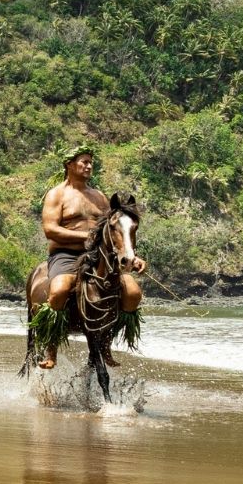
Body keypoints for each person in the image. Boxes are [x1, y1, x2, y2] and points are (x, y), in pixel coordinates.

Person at [34, 146, 143, 369]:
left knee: (132, 292)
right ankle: (51, 350)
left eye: (91, 162)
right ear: (69, 164)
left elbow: (115, 231)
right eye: (84, 162)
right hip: (65, 254)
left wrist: (133, 256)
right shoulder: (57, 194)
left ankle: (106, 346)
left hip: (97, 255)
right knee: (59, 291)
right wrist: (88, 236)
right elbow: (50, 230)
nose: (89, 166)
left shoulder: (99, 196)